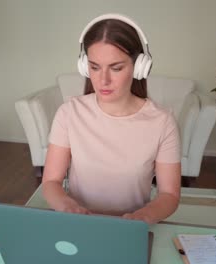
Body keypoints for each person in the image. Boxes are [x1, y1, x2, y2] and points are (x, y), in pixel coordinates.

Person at [42, 13, 181, 224]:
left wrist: (143, 217)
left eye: (116, 68)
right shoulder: (69, 113)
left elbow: (169, 195)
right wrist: (66, 206)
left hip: (132, 228)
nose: (103, 80)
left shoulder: (162, 122)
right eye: (95, 67)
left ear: (139, 66)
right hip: (78, 226)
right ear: (84, 65)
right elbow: (51, 181)